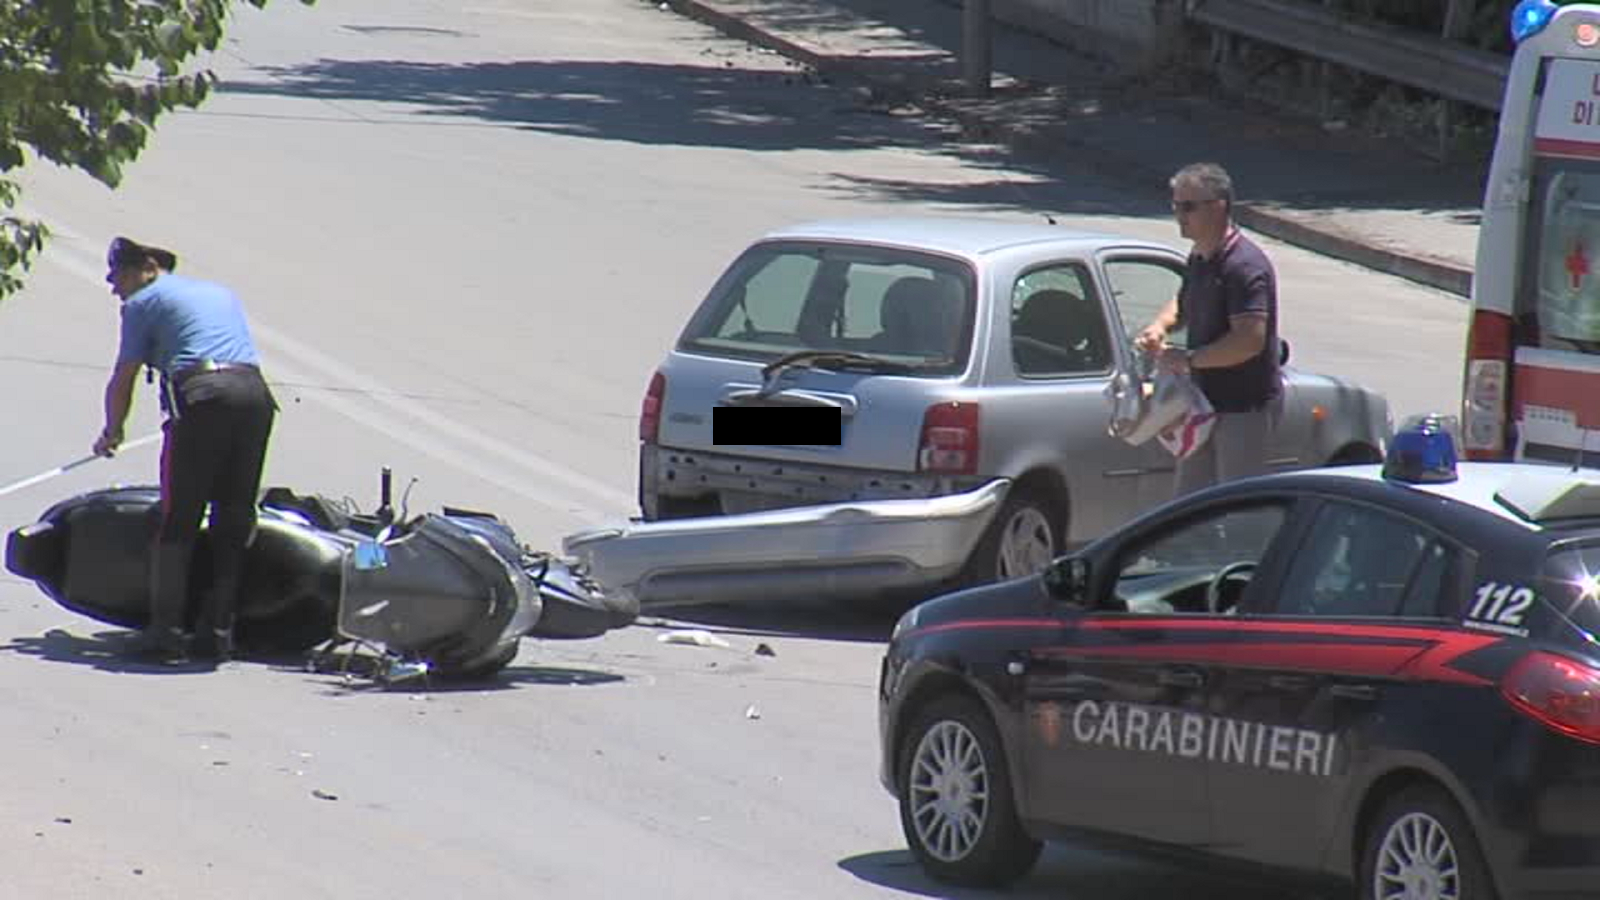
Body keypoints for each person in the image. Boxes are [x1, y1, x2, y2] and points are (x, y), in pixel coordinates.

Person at [93, 237, 277, 662]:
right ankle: (217, 634)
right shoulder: (217, 292)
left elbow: (125, 375)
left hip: (203, 397)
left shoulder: (142, 304)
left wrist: (112, 431)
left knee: (179, 517)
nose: (113, 286)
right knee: (234, 518)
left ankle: (164, 634)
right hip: (254, 396)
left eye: (117, 275)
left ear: (148, 266)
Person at [1136, 162, 1280, 497]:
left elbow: (1248, 341)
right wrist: (1160, 326)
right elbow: (1184, 301)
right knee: (1190, 504)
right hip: (1202, 403)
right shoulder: (1201, 257)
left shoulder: (1243, 265)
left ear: (1219, 207)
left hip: (1243, 407)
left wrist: (1188, 360)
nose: (1179, 215)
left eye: (1188, 207)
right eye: (1175, 206)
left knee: (1235, 506)